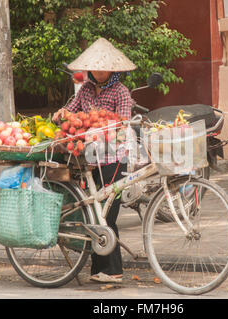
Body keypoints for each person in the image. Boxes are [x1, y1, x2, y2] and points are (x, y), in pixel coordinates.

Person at [52, 37, 136, 283]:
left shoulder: (121, 92)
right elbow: (71, 108)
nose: (99, 72)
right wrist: (62, 114)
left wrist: (101, 125)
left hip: (113, 158)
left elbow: (122, 123)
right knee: (93, 212)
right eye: (95, 67)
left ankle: (113, 271)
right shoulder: (86, 89)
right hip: (88, 159)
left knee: (108, 213)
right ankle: (101, 271)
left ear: (113, 68)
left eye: (104, 67)